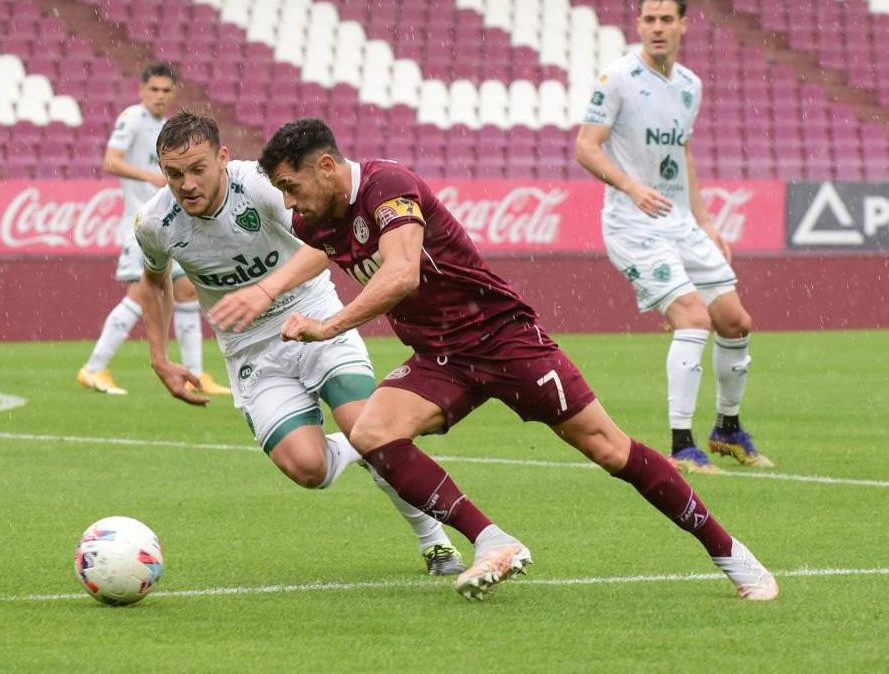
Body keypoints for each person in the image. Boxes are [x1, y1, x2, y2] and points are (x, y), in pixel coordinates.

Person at [210, 118, 779, 602]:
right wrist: (265, 291)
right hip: (440, 356)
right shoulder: (314, 218)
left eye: (291, 186)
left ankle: (732, 555)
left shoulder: (388, 185)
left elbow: (403, 273)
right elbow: (320, 248)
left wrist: (327, 326)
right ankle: (493, 541)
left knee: (608, 448)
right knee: (373, 434)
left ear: (328, 167)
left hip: (503, 339)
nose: (287, 202)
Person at [131, 110, 466, 577]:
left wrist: (267, 289)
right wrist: (159, 358)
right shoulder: (154, 222)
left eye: (198, 168)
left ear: (223, 158)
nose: (186, 184)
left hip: (314, 318)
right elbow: (154, 281)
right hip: (251, 352)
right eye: (174, 173)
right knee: (311, 470)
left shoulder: (262, 187)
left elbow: (325, 244)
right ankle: (357, 445)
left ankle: (435, 541)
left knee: (370, 429)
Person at [575, 0, 771, 474]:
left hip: (679, 220)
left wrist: (706, 221)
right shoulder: (618, 77)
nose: (657, 28)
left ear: (685, 25)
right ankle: (682, 445)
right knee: (693, 318)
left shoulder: (689, 85)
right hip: (631, 223)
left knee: (735, 322)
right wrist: (630, 186)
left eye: (666, 19)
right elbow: (586, 146)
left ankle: (726, 429)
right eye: (649, 19)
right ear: (638, 25)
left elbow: (681, 154)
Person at [77, 63, 229, 397]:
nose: (159, 96)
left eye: (166, 90)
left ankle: (198, 375)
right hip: (142, 223)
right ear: (142, 90)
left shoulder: (166, 129)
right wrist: (150, 176)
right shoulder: (132, 118)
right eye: (154, 90)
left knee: (188, 289)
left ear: (173, 93)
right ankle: (93, 368)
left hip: (169, 224)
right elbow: (111, 161)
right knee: (139, 294)